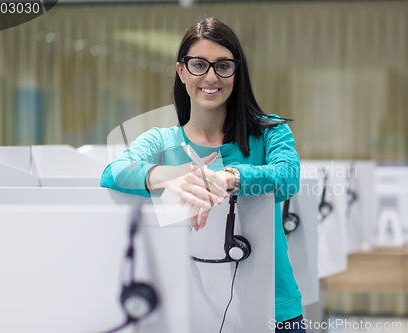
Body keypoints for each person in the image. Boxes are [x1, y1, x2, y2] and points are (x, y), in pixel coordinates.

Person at [101, 17, 306, 333]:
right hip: (188, 309)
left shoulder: (269, 132)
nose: (211, 76)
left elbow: (287, 177)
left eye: (223, 66)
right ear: (182, 71)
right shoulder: (161, 141)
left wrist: (225, 178)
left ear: (236, 73)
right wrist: (170, 177)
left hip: (275, 310)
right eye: (199, 64)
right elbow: (113, 172)